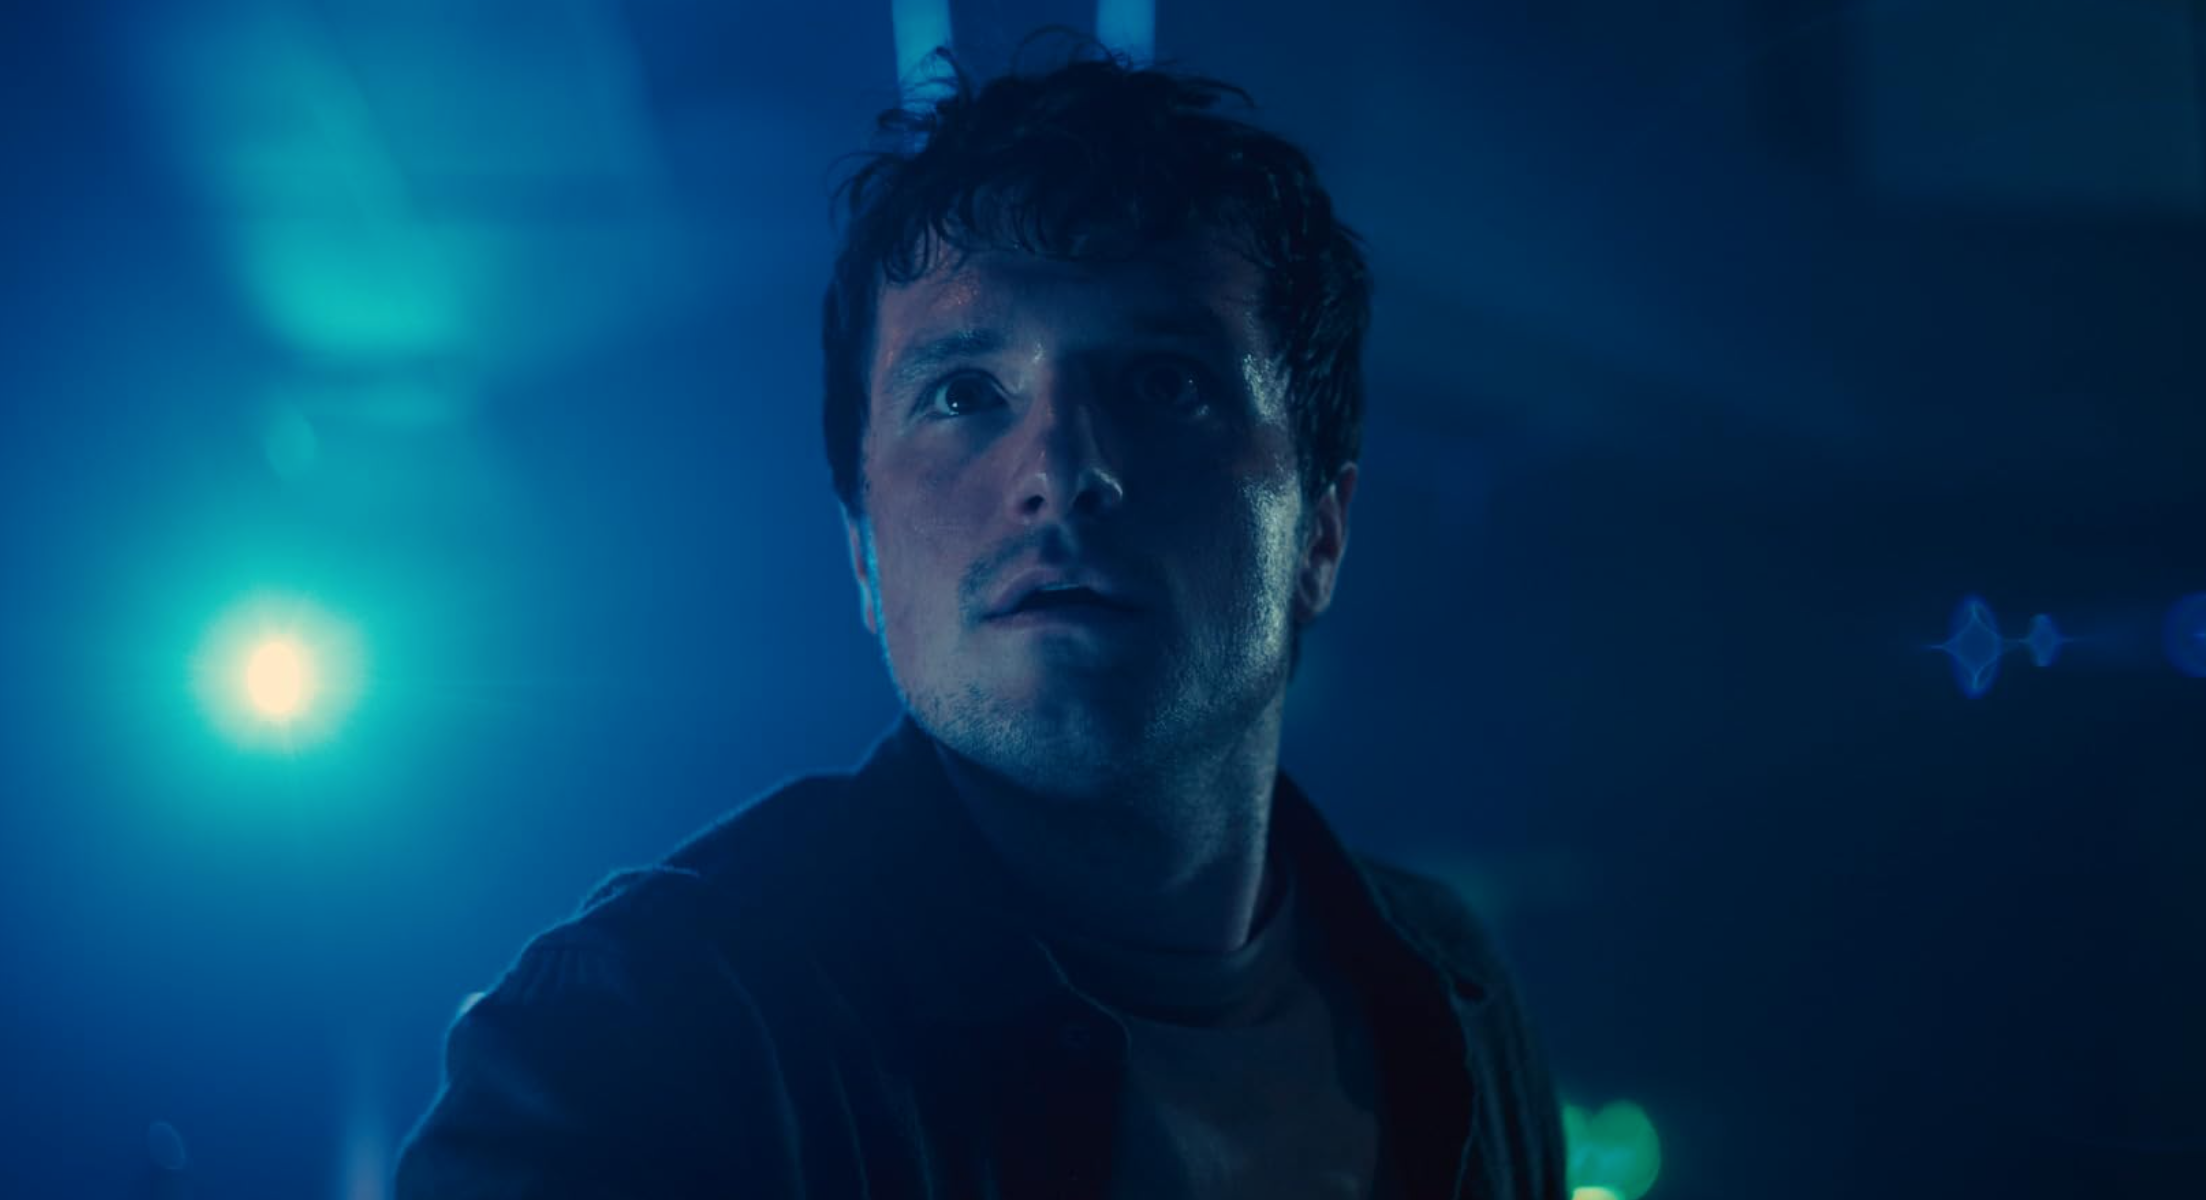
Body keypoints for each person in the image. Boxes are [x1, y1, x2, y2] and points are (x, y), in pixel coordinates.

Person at [396, 47, 1567, 1200]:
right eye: (962, 394)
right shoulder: (642, 1046)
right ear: (863, 551)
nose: (1060, 471)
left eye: (1165, 383)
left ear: (1319, 532)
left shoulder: (1450, 992)